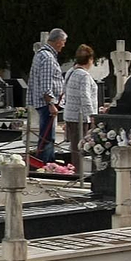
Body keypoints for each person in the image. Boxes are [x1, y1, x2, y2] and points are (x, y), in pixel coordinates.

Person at [27, 29, 66, 165]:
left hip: (43, 102)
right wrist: (51, 104)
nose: (64, 45)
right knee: (48, 136)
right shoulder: (48, 58)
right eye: (63, 42)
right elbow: (46, 83)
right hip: (46, 103)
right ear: (57, 41)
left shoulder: (41, 54)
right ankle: (46, 163)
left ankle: (45, 161)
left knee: (46, 134)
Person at [61, 44, 97, 175]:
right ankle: (79, 176)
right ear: (89, 59)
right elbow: (85, 96)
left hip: (70, 115)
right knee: (82, 148)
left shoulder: (71, 71)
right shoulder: (84, 76)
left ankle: (76, 173)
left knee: (75, 149)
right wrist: (92, 116)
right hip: (81, 116)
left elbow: (65, 91)